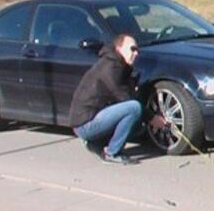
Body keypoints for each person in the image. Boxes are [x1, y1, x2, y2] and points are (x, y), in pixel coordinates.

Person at [68, 34, 167, 164]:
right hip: (85, 123)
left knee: (136, 120)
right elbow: (125, 99)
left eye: (137, 50)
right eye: (132, 49)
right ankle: (111, 153)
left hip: (93, 116)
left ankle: (95, 143)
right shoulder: (111, 68)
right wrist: (152, 118)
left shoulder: (118, 65)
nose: (136, 53)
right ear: (119, 48)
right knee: (134, 108)